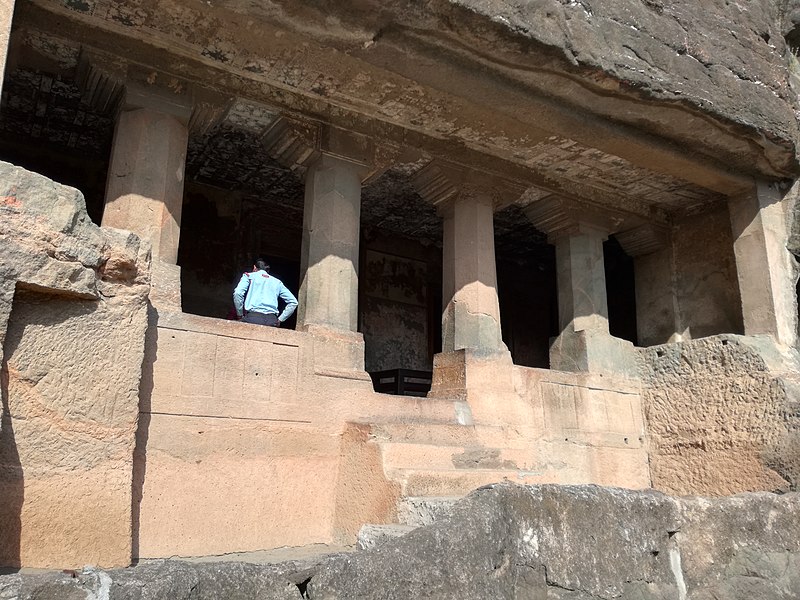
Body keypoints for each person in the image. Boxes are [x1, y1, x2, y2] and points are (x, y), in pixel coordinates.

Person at [233, 258, 298, 327]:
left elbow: (238, 293)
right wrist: (280, 319)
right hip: (272, 320)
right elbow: (293, 302)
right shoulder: (277, 282)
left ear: (254, 267)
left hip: (253, 317)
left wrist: (240, 315)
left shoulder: (249, 276)